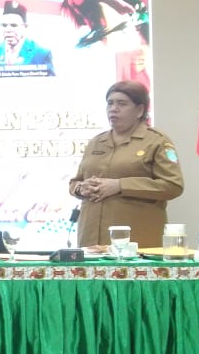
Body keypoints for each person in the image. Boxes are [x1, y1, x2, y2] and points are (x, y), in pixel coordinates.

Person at [69, 80, 184, 247]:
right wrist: (81, 188)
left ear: (140, 110)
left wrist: (120, 185)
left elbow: (173, 185)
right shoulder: (96, 142)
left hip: (137, 243)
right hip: (91, 240)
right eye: (110, 103)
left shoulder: (157, 141)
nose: (113, 109)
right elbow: (75, 182)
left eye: (122, 104)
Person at [0, 0, 55, 77]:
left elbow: (51, 83)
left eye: (14, 25)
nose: (8, 30)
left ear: (25, 27)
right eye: (4, 25)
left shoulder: (41, 54)